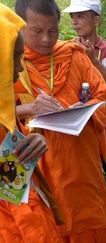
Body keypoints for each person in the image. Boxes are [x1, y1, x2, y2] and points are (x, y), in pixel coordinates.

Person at [14, 0, 106, 241]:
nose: (47, 39)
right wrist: (29, 108)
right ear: (21, 27)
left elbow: (102, 95)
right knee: (45, 225)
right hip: (37, 163)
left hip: (80, 161)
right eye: (37, 31)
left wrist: (85, 108)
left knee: (89, 219)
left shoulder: (74, 56)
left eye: (53, 31)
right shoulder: (11, 62)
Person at [0, 4, 62, 242]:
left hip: (27, 215)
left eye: (20, 57)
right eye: (11, 59)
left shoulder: (4, 103)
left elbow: (9, 154)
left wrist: (32, 140)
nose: (18, 69)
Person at [63, 0, 106, 215]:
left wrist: (95, 62)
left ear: (96, 19)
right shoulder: (68, 50)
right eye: (73, 16)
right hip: (80, 128)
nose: (74, 21)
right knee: (84, 179)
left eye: (81, 16)